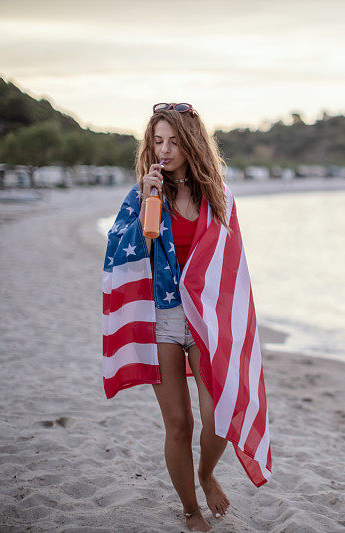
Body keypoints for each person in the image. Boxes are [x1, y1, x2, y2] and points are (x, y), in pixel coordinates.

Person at [101, 102, 272, 532]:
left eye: (174, 141)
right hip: (160, 319)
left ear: (192, 143)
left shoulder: (217, 197)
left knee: (216, 415)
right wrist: (147, 200)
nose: (165, 149)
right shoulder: (143, 192)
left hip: (205, 320)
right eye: (157, 141)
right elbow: (122, 251)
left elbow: (230, 268)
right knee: (179, 424)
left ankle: (206, 472)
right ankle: (190, 508)